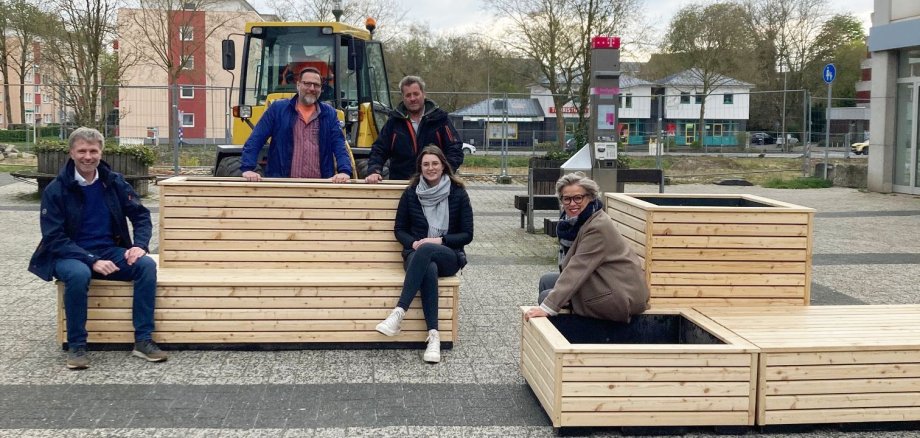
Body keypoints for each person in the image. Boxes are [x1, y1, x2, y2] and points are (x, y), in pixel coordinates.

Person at [28, 127, 166, 370]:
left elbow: (141, 216)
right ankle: (77, 346)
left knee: (146, 266)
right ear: (71, 153)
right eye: (82, 151)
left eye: (93, 151)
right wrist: (91, 259)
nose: (88, 157)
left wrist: (139, 246)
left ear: (101, 152)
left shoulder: (114, 183)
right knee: (79, 275)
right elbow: (54, 237)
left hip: (109, 251)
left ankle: (143, 341)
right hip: (68, 254)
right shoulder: (56, 190)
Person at [375, 145, 474, 363]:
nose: (431, 168)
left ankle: (399, 312)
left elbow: (467, 234)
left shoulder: (458, 193)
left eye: (435, 163)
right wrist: (415, 243)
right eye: (426, 164)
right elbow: (399, 229)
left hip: (448, 255)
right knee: (428, 266)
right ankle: (434, 337)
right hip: (416, 254)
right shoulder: (411, 194)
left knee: (429, 250)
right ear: (420, 167)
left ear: (443, 166)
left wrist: (437, 240)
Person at [524, 173, 649, 323]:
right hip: (601, 281)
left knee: (547, 297)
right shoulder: (576, 222)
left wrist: (548, 307)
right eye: (567, 199)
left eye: (578, 198)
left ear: (590, 197)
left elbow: (577, 268)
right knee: (547, 280)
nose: (572, 204)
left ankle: (571, 338)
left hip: (619, 295)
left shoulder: (598, 227)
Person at [241, 67, 352, 182]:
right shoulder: (278, 110)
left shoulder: (329, 114)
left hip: (320, 187)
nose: (312, 88)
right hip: (283, 186)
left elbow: (339, 144)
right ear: (298, 85)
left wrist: (344, 171)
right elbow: (256, 138)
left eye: (316, 85)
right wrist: (248, 168)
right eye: (307, 84)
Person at [364, 76, 463, 182]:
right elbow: (379, 149)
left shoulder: (440, 119)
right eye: (408, 95)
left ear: (424, 94)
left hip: (434, 185)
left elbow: (455, 148)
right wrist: (374, 170)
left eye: (416, 94)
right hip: (401, 184)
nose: (412, 99)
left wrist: (445, 173)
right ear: (403, 97)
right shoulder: (393, 121)